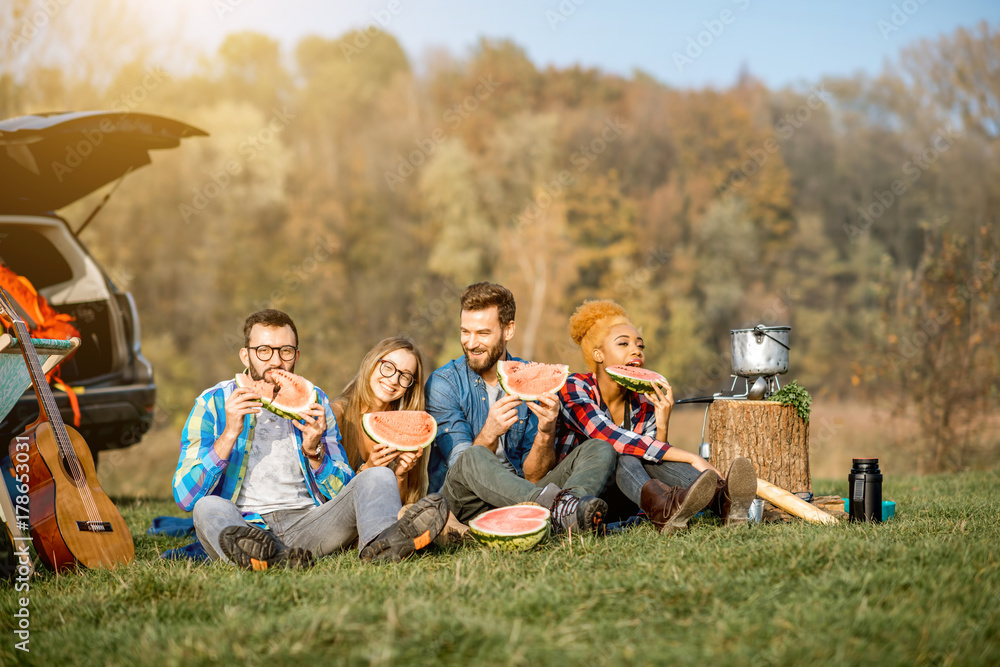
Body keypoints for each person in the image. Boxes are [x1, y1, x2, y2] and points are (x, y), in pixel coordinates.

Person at [173, 309, 449, 570]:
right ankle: (272, 557)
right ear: (245, 356)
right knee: (207, 507)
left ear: (297, 355)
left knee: (377, 476)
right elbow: (185, 497)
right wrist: (229, 434)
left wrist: (314, 452)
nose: (276, 361)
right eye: (264, 351)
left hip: (309, 524)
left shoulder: (315, 402)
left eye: (286, 351)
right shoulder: (212, 403)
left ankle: (381, 546)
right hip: (247, 528)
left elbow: (342, 489)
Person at [426, 282, 617, 533]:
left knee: (599, 448)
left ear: (508, 330)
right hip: (464, 505)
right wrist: (489, 433)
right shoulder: (444, 383)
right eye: (465, 332)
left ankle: (565, 517)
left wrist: (546, 432)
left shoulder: (531, 376)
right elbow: (461, 468)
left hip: (524, 497)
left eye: (483, 333)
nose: (471, 343)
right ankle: (561, 512)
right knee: (475, 455)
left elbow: (534, 476)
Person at [557, 300, 757, 533]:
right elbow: (607, 436)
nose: (636, 350)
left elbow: (652, 456)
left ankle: (723, 502)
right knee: (622, 453)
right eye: (623, 343)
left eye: (640, 346)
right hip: (579, 498)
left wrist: (662, 421)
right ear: (598, 354)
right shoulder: (575, 386)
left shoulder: (643, 401)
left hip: (627, 498)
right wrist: (691, 457)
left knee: (635, 456)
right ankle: (690, 506)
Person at [332, 336, 429, 505]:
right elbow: (328, 497)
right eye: (388, 367)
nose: (393, 380)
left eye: (405, 376)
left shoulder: (406, 428)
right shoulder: (337, 415)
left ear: (410, 386)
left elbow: (399, 508)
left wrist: (400, 475)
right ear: (372, 362)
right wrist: (367, 468)